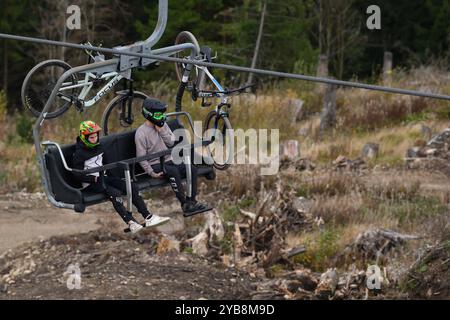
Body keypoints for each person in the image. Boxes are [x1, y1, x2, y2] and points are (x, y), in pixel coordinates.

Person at [72, 120, 170, 233]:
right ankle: (131, 222)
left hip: (103, 178)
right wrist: (92, 178)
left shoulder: (100, 147)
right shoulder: (79, 154)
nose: (94, 139)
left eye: (96, 137)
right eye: (91, 138)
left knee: (131, 187)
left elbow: (107, 164)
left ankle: (148, 217)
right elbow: (77, 174)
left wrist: (116, 179)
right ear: (84, 138)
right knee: (114, 193)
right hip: (90, 183)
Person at [135, 98, 212, 217]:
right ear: (148, 114)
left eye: (162, 114)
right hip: (156, 164)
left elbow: (171, 142)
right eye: (157, 115)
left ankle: (191, 201)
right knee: (173, 171)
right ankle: (184, 204)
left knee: (191, 168)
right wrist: (151, 173)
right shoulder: (141, 133)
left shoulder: (163, 125)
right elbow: (141, 158)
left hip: (169, 159)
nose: (160, 117)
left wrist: (161, 131)